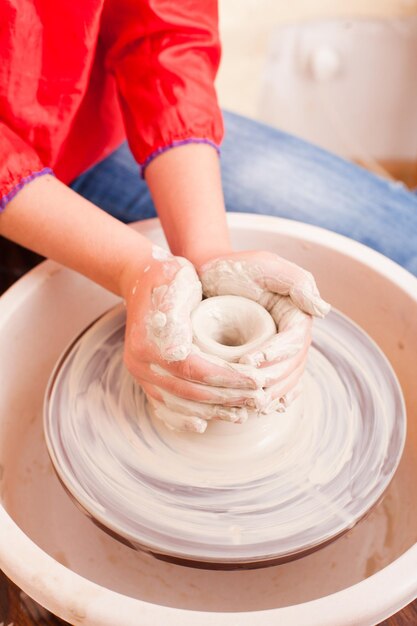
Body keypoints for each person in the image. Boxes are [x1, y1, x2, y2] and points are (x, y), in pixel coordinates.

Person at [1, 1, 416, 432]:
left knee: (407, 244)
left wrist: (208, 251)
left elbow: (165, 28)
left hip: (85, 123)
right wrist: (133, 269)